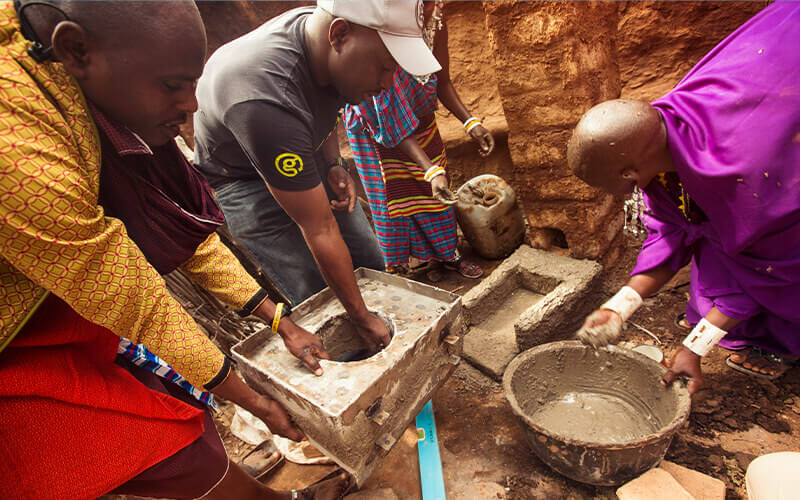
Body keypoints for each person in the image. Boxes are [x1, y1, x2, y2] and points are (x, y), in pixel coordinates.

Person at [0, 2, 349, 498]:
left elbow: (184, 237)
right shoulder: (15, 141)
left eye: (193, 84)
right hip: (17, 337)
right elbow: (128, 296)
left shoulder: (100, 99)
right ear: (75, 50)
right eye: (172, 86)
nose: (192, 105)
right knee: (163, 447)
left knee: (184, 419)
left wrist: (281, 322)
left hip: (60, 306)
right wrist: (253, 400)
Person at [569, 2, 800, 394]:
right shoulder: (662, 137)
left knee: (773, 284)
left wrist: (697, 346)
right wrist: (620, 307)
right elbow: (677, 227)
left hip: (779, 217)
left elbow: (767, 267)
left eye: (610, 184)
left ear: (630, 173)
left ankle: (776, 345)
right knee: (716, 245)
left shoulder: (746, 177)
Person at [193, 0, 441, 355]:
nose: (388, 84)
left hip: (297, 150)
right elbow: (320, 229)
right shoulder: (264, 98)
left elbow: (327, 101)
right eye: (385, 68)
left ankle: (389, 349)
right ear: (339, 34)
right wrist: (359, 317)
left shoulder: (318, 37)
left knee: (369, 260)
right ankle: (363, 381)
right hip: (245, 183)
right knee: (322, 297)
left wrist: (333, 162)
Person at [342, 1, 493, 278]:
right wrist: (431, 170)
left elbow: (441, 80)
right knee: (391, 200)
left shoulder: (436, 19)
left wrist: (470, 123)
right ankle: (399, 268)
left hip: (421, 123)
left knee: (435, 196)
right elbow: (388, 117)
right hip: (374, 125)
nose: (427, 7)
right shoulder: (380, 28)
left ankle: (448, 255)